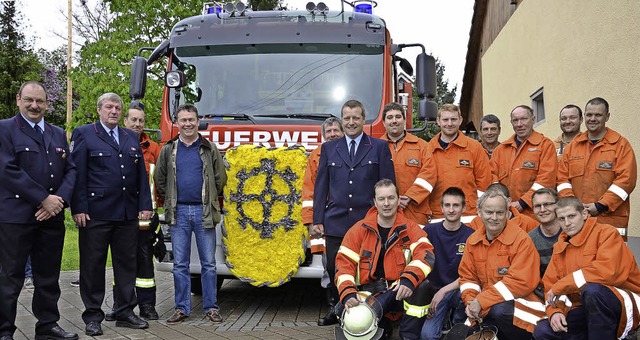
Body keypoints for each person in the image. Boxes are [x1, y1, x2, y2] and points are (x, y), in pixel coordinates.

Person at [0, 81, 78, 340]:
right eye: (29, 100)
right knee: (11, 277)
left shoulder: (57, 133)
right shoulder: (5, 129)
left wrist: (59, 201)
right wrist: (43, 198)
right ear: (18, 100)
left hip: (51, 218)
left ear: (47, 103)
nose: (35, 105)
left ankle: (47, 326)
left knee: (48, 277)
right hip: (17, 218)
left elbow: (71, 170)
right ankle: (4, 331)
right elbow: (8, 170)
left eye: (40, 101)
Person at [70, 92, 152, 336]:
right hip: (96, 213)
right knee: (93, 266)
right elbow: (77, 173)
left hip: (127, 212)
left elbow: (140, 175)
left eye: (117, 107)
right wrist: (79, 207)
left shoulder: (130, 135)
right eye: (109, 107)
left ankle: (126, 311)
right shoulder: (85, 133)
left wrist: (143, 204)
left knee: (127, 264)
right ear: (99, 110)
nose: (114, 111)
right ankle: (93, 315)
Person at [312, 99, 396, 326]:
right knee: (334, 268)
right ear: (342, 120)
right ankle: (339, 309)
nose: (351, 122)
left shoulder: (378, 147)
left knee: (368, 270)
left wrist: (386, 218)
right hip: (336, 221)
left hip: (368, 222)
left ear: (363, 119)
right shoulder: (329, 148)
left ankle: (370, 314)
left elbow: (388, 185)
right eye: (347, 118)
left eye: (355, 118)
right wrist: (317, 219)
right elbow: (321, 186)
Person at [335, 179, 435, 340]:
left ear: (398, 200)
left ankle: (408, 335)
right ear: (375, 202)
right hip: (369, 293)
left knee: (423, 287)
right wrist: (348, 294)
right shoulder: (358, 231)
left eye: (391, 198)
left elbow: (426, 254)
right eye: (381, 199)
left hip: (399, 291)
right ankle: (383, 325)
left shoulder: (410, 229)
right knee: (352, 320)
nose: (386, 203)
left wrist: (409, 280)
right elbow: (343, 267)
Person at [154, 104, 227, 325]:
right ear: (177, 122)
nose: (188, 124)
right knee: (180, 265)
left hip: (204, 211)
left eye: (191, 120)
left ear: (198, 122)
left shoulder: (209, 148)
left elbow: (220, 179)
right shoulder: (169, 149)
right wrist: (175, 198)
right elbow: (160, 179)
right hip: (178, 213)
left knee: (208, 264)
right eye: (183, 120)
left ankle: (211, 308)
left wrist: (208, 197)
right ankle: (182, 308)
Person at [533, 196, 640, 339]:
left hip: (625, 303)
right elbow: (550, 286)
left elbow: (608, 271)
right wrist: (555, 311)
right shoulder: (561, 246)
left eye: (571, 216)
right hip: (585, 307)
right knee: (543, 331)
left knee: (593, 291)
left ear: (584, 214)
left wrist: (564, 284)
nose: (567, 223)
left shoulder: (606, 233)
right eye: (562, 219)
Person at [458, 189, 545, 339]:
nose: (494, 217)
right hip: (488, 304)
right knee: (459, 334)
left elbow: (521, 282)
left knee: (500, 311)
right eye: (489, 212)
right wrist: (471, 301)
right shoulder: (473, 241)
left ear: (507, 213)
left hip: (524, 305)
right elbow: (468, 279)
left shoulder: (521, 240)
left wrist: (481, 301)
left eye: (499, 212)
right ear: (479, 212)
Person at [104, 101, 161, 322]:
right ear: (125, 121)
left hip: (145, 219)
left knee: (145, 264)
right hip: (121, 216)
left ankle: (147, 306)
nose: (137, 124)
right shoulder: (115, 145)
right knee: (121, 263)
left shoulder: (154, 149)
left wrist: (156, 207)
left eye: (141, 120)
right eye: (133, 120)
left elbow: (161, 180)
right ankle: (121, 306)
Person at [556, 97, 637, 238]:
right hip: (578, 218)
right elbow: (562, 179)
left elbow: (626, 181)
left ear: (607, 117)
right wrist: (573, 205)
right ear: (584, 117)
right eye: (589, 115)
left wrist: (601, 205)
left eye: (598, 115)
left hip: (610, 219)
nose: (592, 119)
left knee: (612, 257)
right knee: (579, 257)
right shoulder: (573, 146)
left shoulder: (620, 145)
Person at [300, 116, 344, 326]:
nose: (333, 134)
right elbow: (309, 191)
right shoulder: (316, 156)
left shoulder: (351, 151)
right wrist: (311, 221)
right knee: (330, 267)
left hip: (349, 219)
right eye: (329, 132)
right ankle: (334, 309)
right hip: (325, 221)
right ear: (323, 136)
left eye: (336, 130)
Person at [420, 187, 474, 340]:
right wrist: (433, 294)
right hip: (434, 293)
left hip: (459, 291)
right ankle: (444, 317)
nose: (451, 210)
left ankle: (456, 320)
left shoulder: (471, 236)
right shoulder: (429, 231)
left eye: (456, 205)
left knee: (460, 334)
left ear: (463, 208)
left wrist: (443, 291)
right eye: (447, 205)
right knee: (427, 336)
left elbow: (470, 274)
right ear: (441, 207)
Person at [490, 105, 557, 218]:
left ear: (533, 119)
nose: (519, 124)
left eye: (524, 119)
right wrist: (502, 201)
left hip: (534, 213)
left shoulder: (545, 145)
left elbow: (546, 179)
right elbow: (492, 176)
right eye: (515, 120)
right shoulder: (501, 150)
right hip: (506, 213)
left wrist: (523, 202)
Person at [427, 104, 491, 221]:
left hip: (468, 216)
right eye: (445, 120)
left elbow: (484, 183)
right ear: (438, 121)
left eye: (454, 119)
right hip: (438, 215)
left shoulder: (474, 147)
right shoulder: (428, 149)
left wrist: (480, 209)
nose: (450, 124)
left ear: (460, 120)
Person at [381, 102, 436, 226]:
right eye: (390, 118)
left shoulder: (422, 146)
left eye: (398, 117)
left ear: (404, 120)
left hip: (415, 212)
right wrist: (390, 199)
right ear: (384, 123)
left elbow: (429, 176)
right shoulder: (375, 147)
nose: (394, 121)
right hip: (385, 213)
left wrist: (409, 197)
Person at [467, 183, 538, 232]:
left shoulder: (528, 223)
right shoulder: (476, 223)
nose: (494, 218)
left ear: (508, 202)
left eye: (499, 212)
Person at [529, 188, 562, 277]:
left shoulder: (571, 232)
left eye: (547, 204)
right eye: (538, 206)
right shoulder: (529, 240)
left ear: (557, 205)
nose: (542, 210)